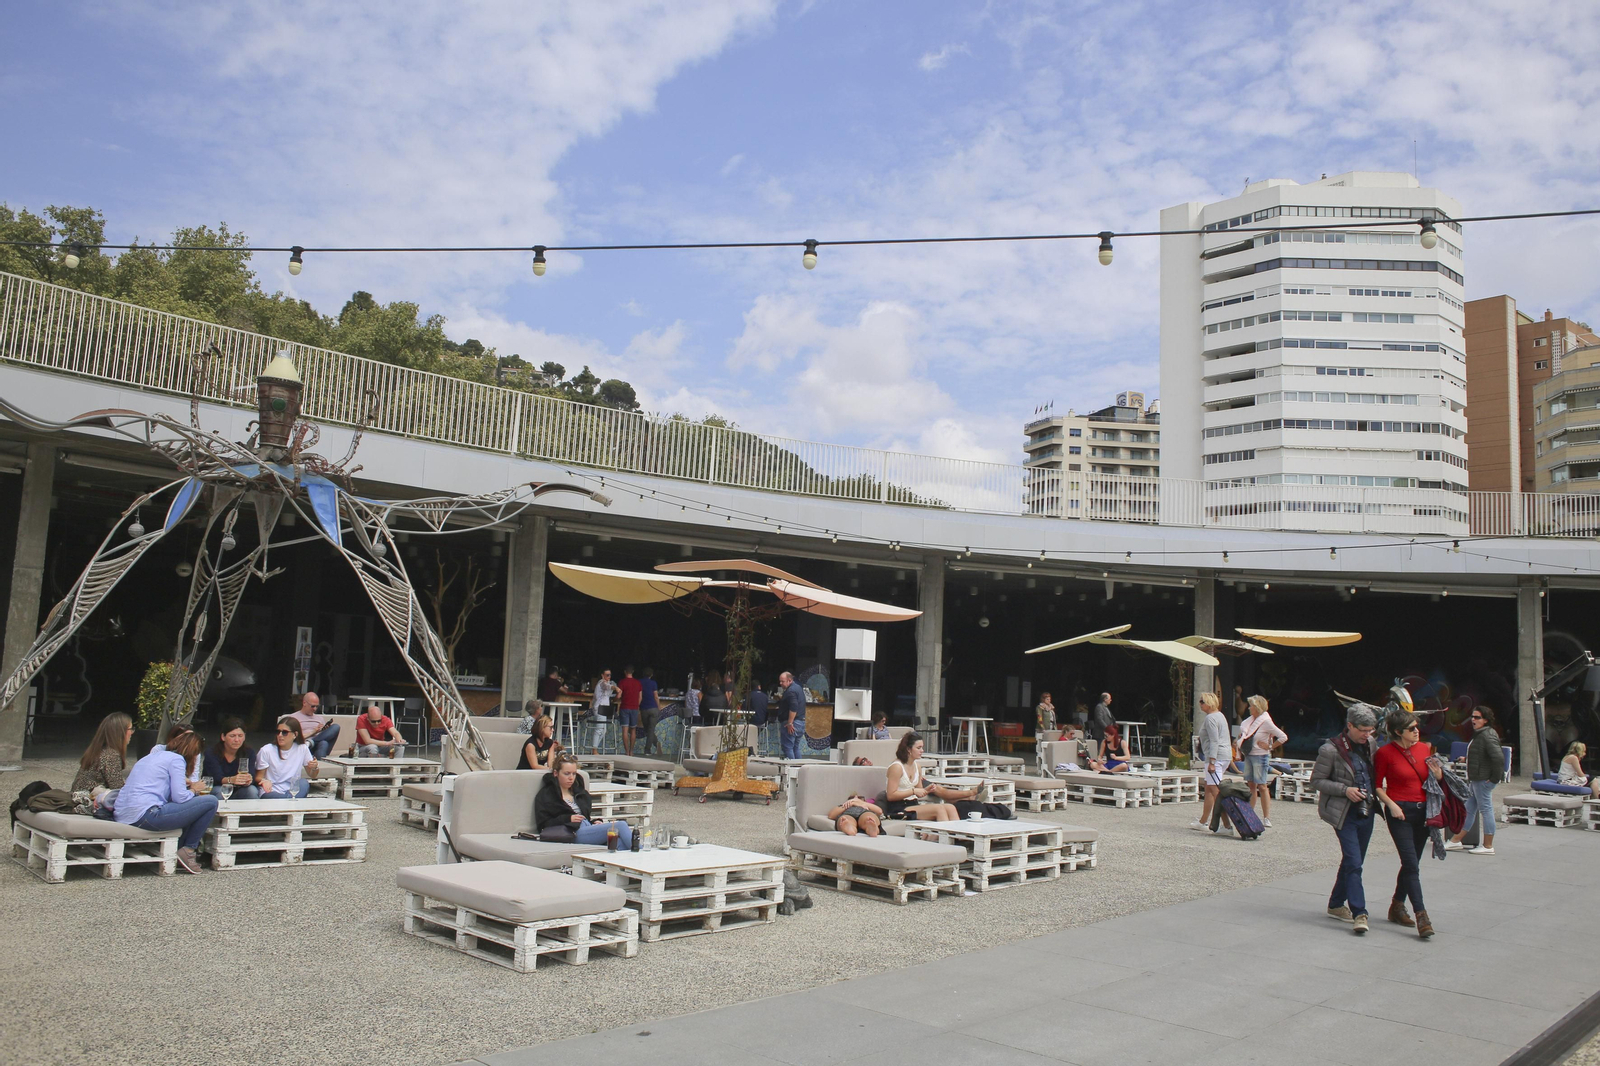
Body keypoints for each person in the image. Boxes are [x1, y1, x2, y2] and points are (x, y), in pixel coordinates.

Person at [1374, 708, 1442, 939]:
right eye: (1411, 729)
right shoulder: (1385, 753)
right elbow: (1376, 786)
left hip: (1423, 812)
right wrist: (1391, 805)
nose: (1416, 732)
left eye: (1417, 727)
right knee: (1411, 863)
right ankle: (1422, 915)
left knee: (1412, 863)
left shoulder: (1424, 748)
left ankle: (1396, 905)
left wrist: (1438, 774)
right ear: (1397, 732)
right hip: (1399, 811)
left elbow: (1434, 780)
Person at [1313, 703, 1381, 934]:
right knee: (1354, 862)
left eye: (1370, 730)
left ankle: (1335, 903)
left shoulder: (1370, 744)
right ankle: (1359, 912)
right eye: (1363, 730)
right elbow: (1317, 781)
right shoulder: (1330, 749)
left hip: (1367, 809)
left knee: (1354, 859)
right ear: (1349, 725)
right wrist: (1345, 790)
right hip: (1343, 812)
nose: (1367, 735)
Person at [115, 728, 218, 874]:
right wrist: (195, 788)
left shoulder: (152, 757)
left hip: (123, 814)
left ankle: (180, 851)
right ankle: (188, 849)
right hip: (146, 815)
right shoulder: (177, 760)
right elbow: (180, 797)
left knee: (192, 803)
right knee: (210, 802)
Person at [533, 754, 633, 848]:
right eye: (566, 774)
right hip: (570, 832)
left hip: (586, 828)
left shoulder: (579, 793)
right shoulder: (547, 795)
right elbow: (543, 824)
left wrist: (594, 822)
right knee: (620, 825)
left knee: (619, 844)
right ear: (556, 773)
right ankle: (644, 856)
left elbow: (585, 817)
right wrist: (568, 818)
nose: (571, 778)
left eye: (574, 774)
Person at [1447, 706, 1505, 853]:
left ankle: (1487, 846)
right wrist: (1466, 758)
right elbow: (1482, 754)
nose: (1473, 720)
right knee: (1469, 809)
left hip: (1482, 779)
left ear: (1485, 720)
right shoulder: (1481, 734)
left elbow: (1498, 758)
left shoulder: (1487, 735)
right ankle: (1456, 840)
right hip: (1477, 778)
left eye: (1477, 717)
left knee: (1486, 809)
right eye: (1472, 717)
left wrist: (1494, 779)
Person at [883, 732, 959, 821]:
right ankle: (944, 834)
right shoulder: (896, 767)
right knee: (939, 809)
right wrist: (913, 791)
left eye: (922, 747)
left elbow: (920, 791)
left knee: (950, 807)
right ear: (908, 749)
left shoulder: (917, 766)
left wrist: (927, 790)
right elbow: (891, 795)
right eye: (918, 748)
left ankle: (954, 833)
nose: (922, 750)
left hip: (913, 804)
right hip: (898, 807)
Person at [1239, 694, 1288, 827]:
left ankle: (1266, 817)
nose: (1249, 708)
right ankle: (1250, 813)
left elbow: (1283, 737)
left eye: (1252, 706)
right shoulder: (1249, 721)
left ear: (1257, 707)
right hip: (1249, 754)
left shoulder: (1266, 721)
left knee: (1262, 785)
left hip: (1260, 755)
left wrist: (1270, 746)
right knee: (1251, 785)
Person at [1191, 691, 1231, 832]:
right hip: (1224, 755)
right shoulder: (1220, 716)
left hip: (1216, 757)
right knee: (1209, 788)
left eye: (1202, 701)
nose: (1200, 704)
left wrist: (1212, 761)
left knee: (1215, 791)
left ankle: (1227, 825)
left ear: (1208, 703)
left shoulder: (1211, 719)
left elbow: (1214, 740)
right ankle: (1203, 821)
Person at [256, 717, 320, 799]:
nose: (280, 735)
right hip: (271, 791)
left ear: (295, 734)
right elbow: (258, 777)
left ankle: (288, 802)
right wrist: (264, 781)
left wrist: (314, 768)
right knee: (285, 799)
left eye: (284, 732)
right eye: (278, 732)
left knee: (303, 783)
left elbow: (312, 775)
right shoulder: (266, 750)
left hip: (292, 790)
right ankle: (290, 804)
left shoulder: (302, 748)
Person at [72, 712, 134, 794]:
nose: (132, 732)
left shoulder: (98, 750)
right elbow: (118, 790)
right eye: (130, 729)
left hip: (78, 799)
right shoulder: (110, 755)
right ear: (120, 732)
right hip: (88, 802)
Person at [201, 716, 260, 799]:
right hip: (217, 787)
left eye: (240, 736)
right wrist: (231, 780)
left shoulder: (248, 752)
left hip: (240, 789)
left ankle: (250, 812)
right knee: (220, 791)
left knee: (252, 790)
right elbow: (217, 778)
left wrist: (248, 779)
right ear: (223, 737)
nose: (236, 740)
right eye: (232, 736)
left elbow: (252, 775)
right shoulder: (212, 753)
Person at [288, 692, 340, 759]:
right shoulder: (293, 718)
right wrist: (313, 732)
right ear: (304, 703)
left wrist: (324, 730)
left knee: (335, 727)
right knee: (324, 743)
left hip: (317, 746)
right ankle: (316, 759)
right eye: (312, 706)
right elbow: (292, 738)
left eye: (317, 706)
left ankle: (311, 743)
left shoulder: (319, 718)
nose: (315, 709)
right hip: (303, 746)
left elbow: (323, 736)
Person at [588, 669, 619, 754]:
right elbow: (607, 686)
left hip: (604, 708)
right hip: (599, 708)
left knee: (603, 730)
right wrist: (615, 688)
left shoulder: (608, 683)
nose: (609, 677)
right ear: (602, 675)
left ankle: (594, 748)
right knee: (599, 729)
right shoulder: (601, 682)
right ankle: (594, 749)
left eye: (610, 675)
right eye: (607, 675)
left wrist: (617, 690)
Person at [778, 670, 806, 759]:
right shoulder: (798, 688)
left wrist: (790, 723)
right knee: (795, 747)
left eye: (783, 681)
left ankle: (791, 768)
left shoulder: (791, 691)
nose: (780, 683)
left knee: (787, 747)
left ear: (790, 680)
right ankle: (799, 769)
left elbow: (793, 707)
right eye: (780, 681)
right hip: (801, 721)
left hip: (792, 722)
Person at [616, 666, 643, 756]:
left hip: (624, 708)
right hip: (634, 708)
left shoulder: (622, 682)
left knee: (625, 730)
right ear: (633, 672)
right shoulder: (638, 683)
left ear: (625, 672)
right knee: (633, 730)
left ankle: (626, 751)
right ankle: (631, 751)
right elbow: (640, 697)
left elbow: (619, 695)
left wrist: (614, 699)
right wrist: (636, 705)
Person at [638, 667, 662, 755]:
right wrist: (659, 707)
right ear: (651, 675)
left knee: (647, 730)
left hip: (643, 708)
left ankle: (648, 749)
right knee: (650, 729)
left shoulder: (639, 682)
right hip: (653, 708)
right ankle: (655, 745)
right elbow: (656, 696)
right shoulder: (653, 683)